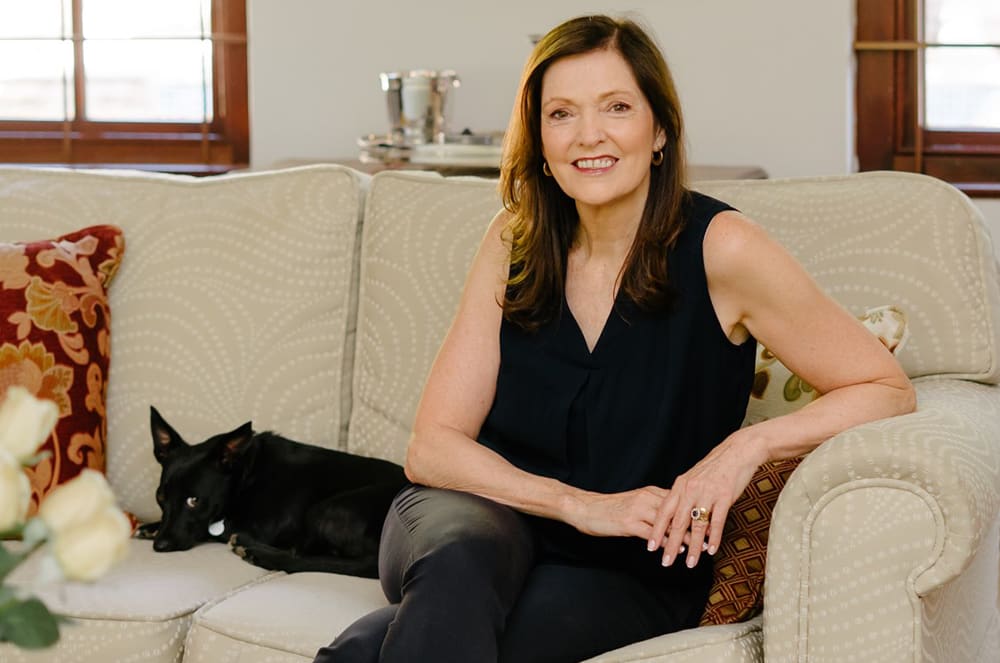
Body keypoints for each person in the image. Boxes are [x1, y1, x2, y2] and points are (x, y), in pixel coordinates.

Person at [314, 13, 915, 663]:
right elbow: (433, 448)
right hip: (478, 514)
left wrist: (747, 446)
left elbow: (885, 388)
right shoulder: (514, 239)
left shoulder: (725, 249)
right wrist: (578, 505)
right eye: (561, 114)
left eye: (617, 107)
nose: (588, 135)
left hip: (633, 563)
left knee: (372, 648)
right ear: (539, 140)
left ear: (659, 130)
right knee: (462, 556)